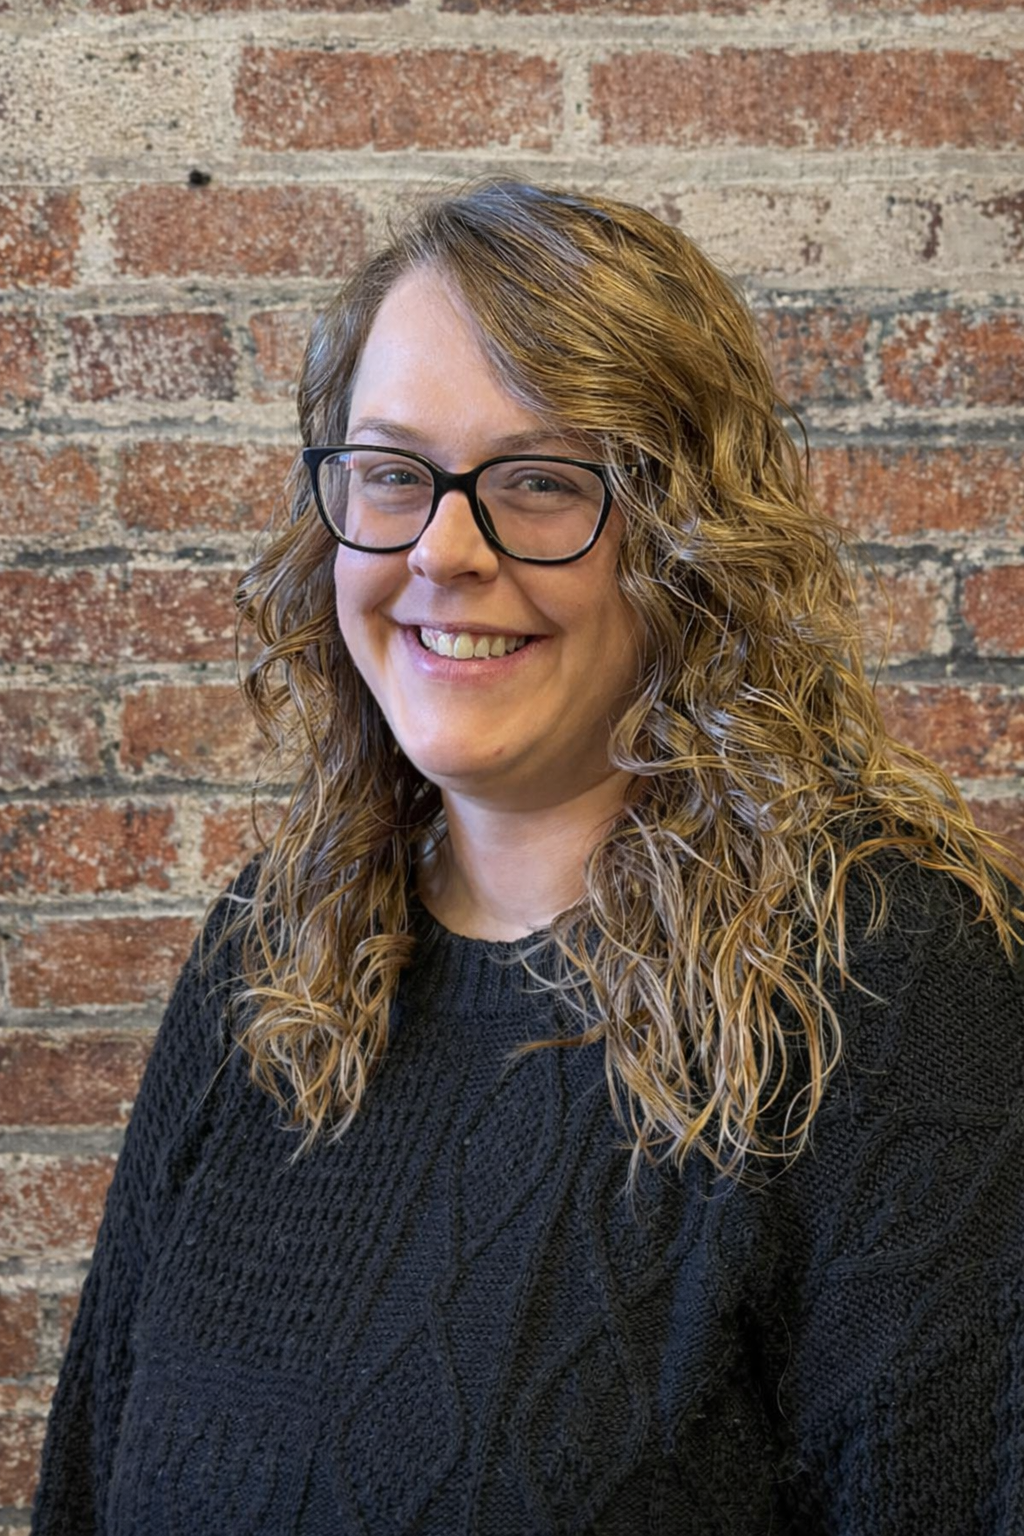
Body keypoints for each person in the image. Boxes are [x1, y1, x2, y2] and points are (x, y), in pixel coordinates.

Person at [33, 180, 1024, 1535]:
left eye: (542, 484)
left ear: (691, 541)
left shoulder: (891, 981)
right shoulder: (271, 952)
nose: (445, 550)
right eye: (391, 474)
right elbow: (88, 1486)